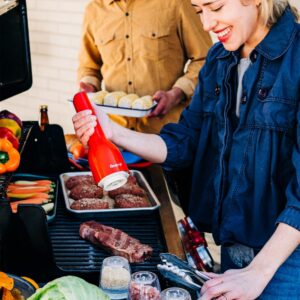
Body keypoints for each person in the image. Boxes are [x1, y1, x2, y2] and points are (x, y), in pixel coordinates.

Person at [73, 0, 300, 298]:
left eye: (215, 8)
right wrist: (113, 131)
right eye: (199, 11)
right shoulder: (219, 60)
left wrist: (258, 271)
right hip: (234, 251)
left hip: (286, 263)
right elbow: (184, 142)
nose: (206, 24)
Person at [77, 0, 212, 134]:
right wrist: (90, 86)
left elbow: (206, 59)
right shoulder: (93, 10)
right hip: (114, 132)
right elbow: (89, 67)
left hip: (167, 133)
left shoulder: (176, 3)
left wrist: (176, 93)